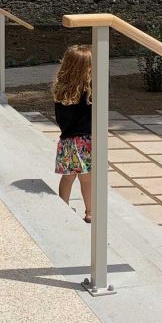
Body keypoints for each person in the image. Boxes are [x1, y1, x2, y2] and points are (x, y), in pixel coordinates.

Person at [52, 44, 93, 222]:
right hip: (85, 141)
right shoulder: (88, 90)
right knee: (87, 179)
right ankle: (90, 212)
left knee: (67, 178)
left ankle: (63, 207)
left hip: (66, 140)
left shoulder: (60, 89)